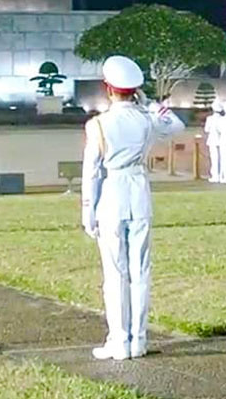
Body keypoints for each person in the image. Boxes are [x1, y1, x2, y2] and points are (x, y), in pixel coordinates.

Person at [81, 55, 184, 361]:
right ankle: (138, 340)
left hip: (111, 196)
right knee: (141, 272)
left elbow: (91, 172)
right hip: (139, 194)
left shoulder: (98, 124)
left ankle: (118, 341)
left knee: (115, 274)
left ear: (107, 88)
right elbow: (176, 125)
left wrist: (88, 209)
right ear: (134, 90)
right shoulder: (145, 120)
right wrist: (152, 104)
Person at [203, 102, 224, 183]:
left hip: (213, 140)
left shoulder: (210, 119)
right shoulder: (223, 119)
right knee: (222, 158)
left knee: (214, 158)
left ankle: (215, 175)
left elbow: (206, 130)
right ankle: (222, 175)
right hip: (221, 140)